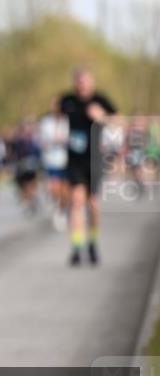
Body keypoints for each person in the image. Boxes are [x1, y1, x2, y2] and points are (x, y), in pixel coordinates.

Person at [60, 68, 117, 266]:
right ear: (75, 83)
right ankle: (76, 248)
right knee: (76, 202)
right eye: (79, 82)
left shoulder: (101, 100)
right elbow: (55, 118)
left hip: (94, 159)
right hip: (74, 159)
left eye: (86, 82)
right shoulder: (67, 100)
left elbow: (118, 122)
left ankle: (93, 243)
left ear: (91, 83)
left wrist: (101, 117)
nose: (82, 85)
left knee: (92, 203)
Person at [39, 96, 70, 231]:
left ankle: (62, 209)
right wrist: (51, 141)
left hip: (67, 160)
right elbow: (41, 140)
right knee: (55, 188)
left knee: (65, 190)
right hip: (51, 160)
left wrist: (65, 140)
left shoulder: (68, 121)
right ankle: (56, 206)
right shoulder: (46, 122)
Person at [10, 119, 41, 216]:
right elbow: (13, 154)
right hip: (21, 167)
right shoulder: (17, 142)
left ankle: (31, 200)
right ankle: (27, 201)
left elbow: (38, 154)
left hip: (32, 166)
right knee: (22, 186)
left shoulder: (35, 142)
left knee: (31, 185)